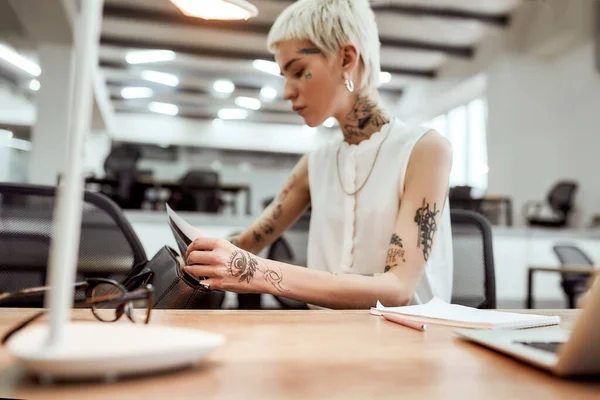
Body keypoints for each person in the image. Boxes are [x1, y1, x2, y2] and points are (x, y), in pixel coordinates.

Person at [184, 0, 453, 309]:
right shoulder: (316, 164)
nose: (287, 91)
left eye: (298, 71)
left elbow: (398, 289)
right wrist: (197, 255)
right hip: (323, 336)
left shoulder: (425, 150)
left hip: (409, 342)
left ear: (346, 59)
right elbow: (247, 242)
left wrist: (255, 272)